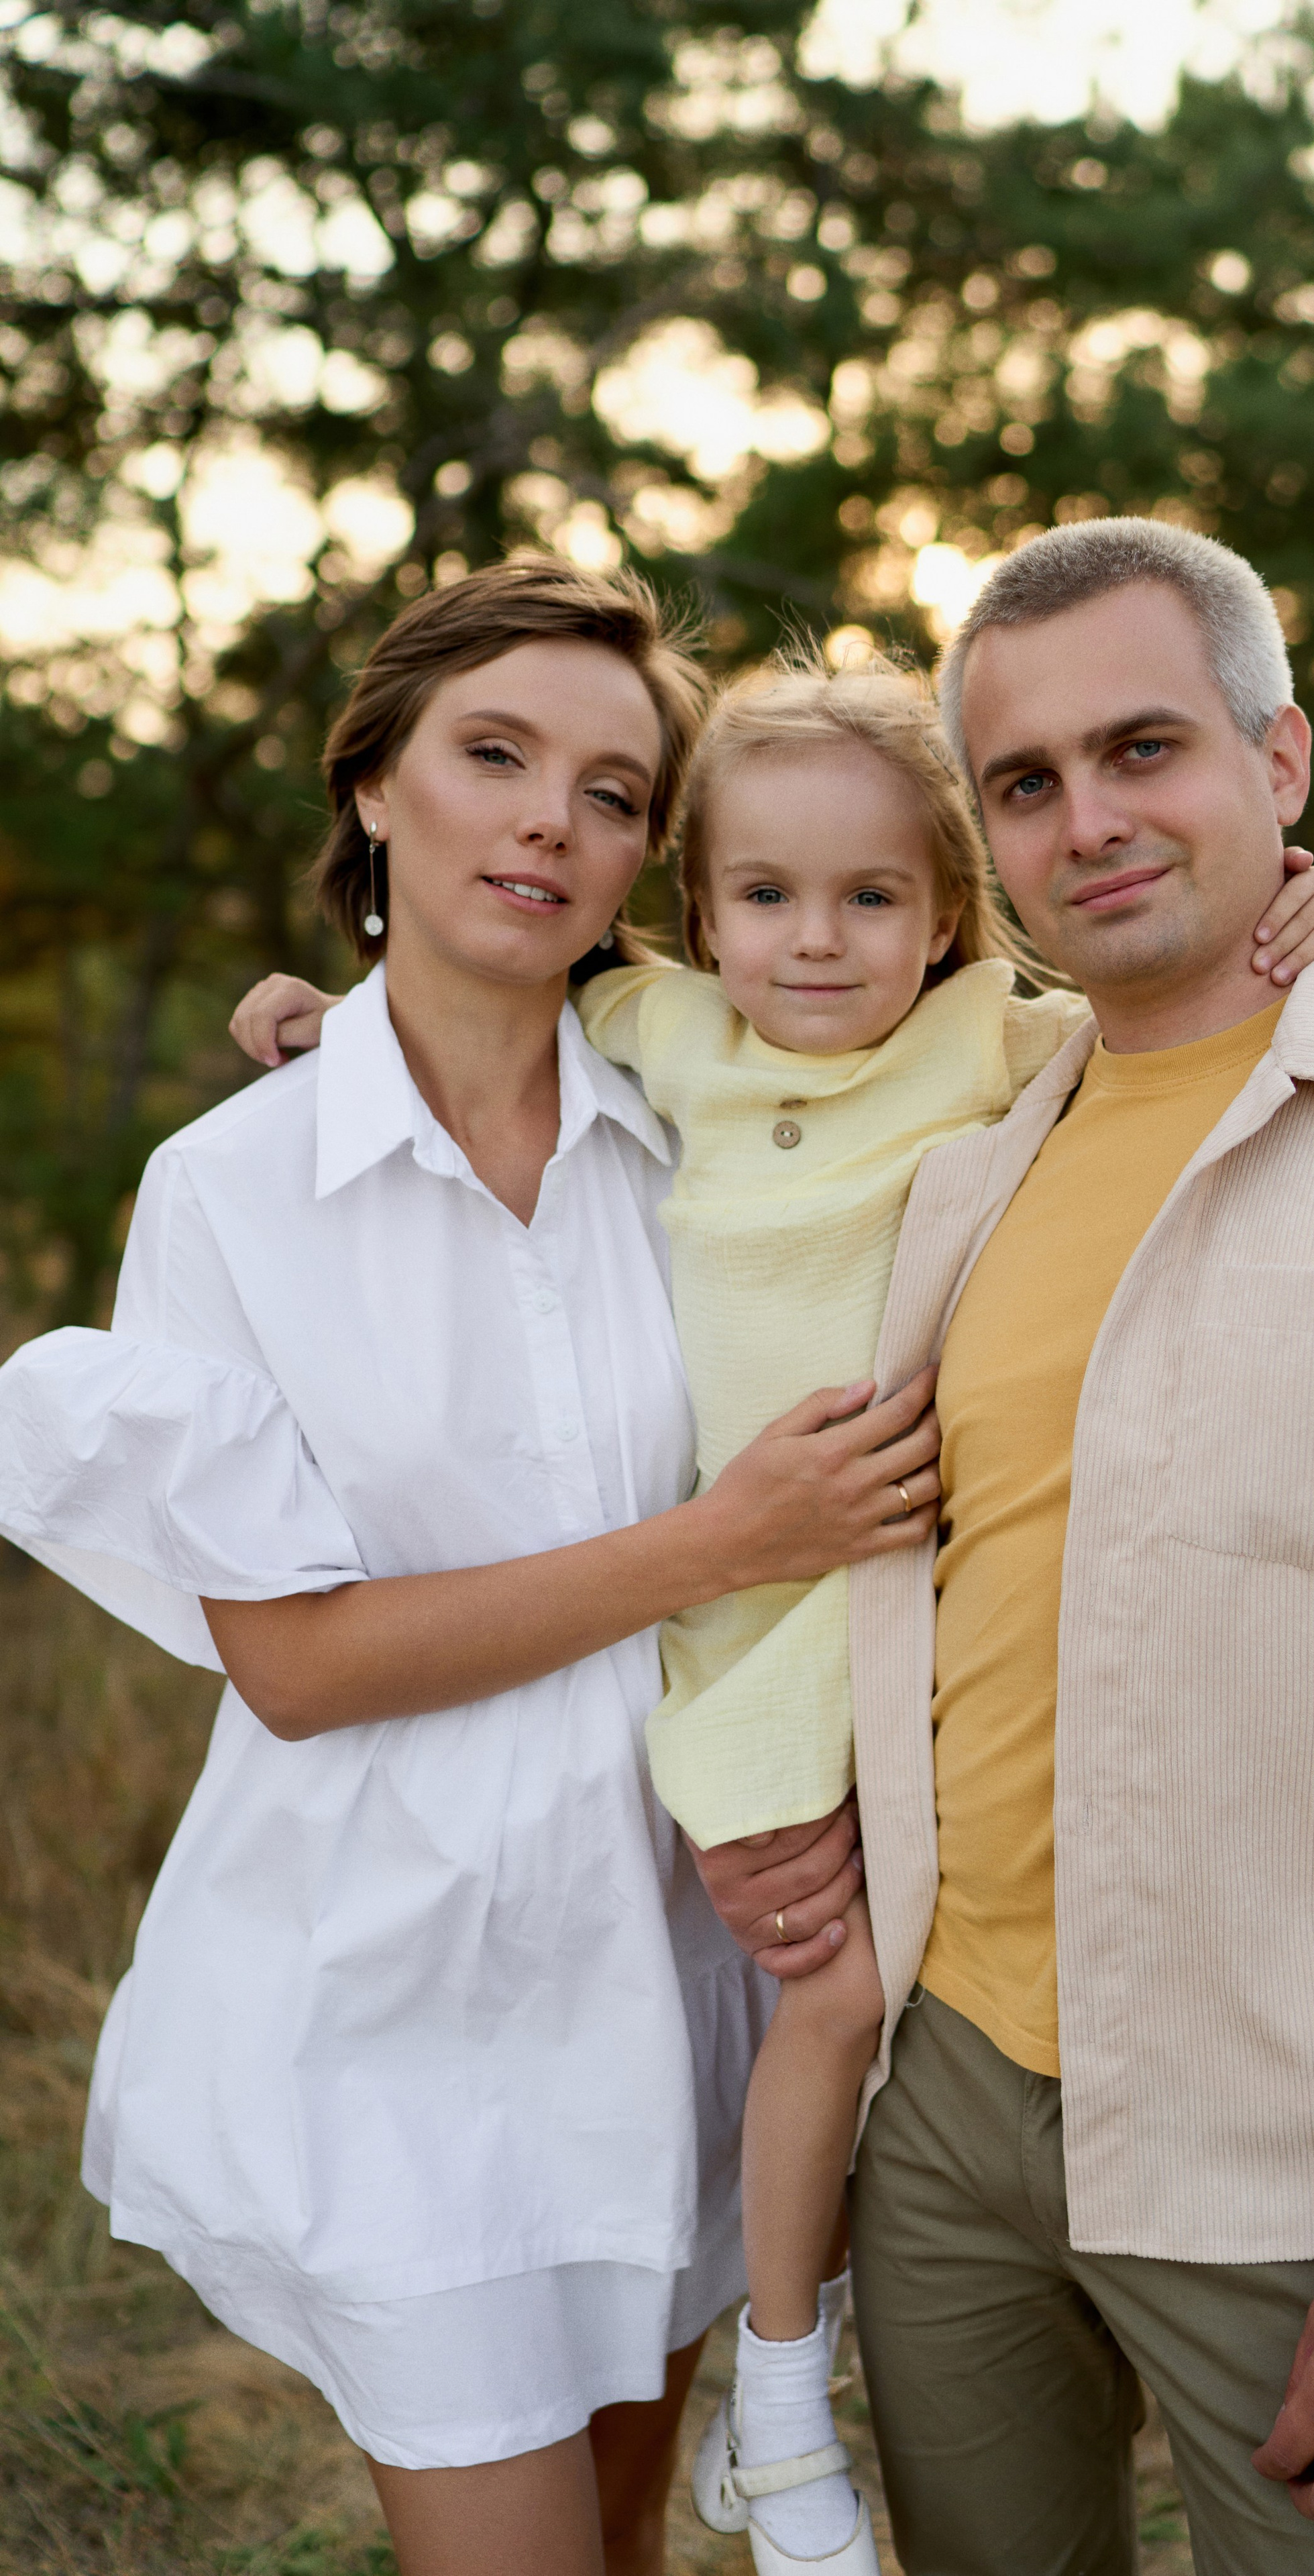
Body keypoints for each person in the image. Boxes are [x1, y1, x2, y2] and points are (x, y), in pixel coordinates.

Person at [228, 645, 1314, 2574]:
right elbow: (467, 996)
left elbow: (1200, 1000)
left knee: (935, 2004)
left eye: (873, 899)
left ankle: (902, 2323)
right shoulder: (667, 1036)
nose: (818, 943)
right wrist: (304, 1012)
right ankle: (782, 2391)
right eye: (764, 897)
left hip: (928, 1630)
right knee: (832, 1991)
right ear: (701, 918)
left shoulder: (1006, 1039)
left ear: (952, 916)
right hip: (757, 1641)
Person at [693, 516, 1314, 2575]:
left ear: (1284, 761)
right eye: (1028, 783)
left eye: (1145, 746)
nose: (1092, 818)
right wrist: (330, 1029)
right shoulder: (963, 1157)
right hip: (944, 2115)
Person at [0, 557, 952, 2576]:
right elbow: (300, 1664)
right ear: (373, 789)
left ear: (646, 864)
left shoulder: (709, 1129)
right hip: (399, 2004)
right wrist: (723, 1538)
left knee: (622, 2545)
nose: (550, 820)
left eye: (614, 795)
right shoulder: (237, 1188)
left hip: (682, 1969)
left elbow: (1053, 1040)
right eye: (494, 755)